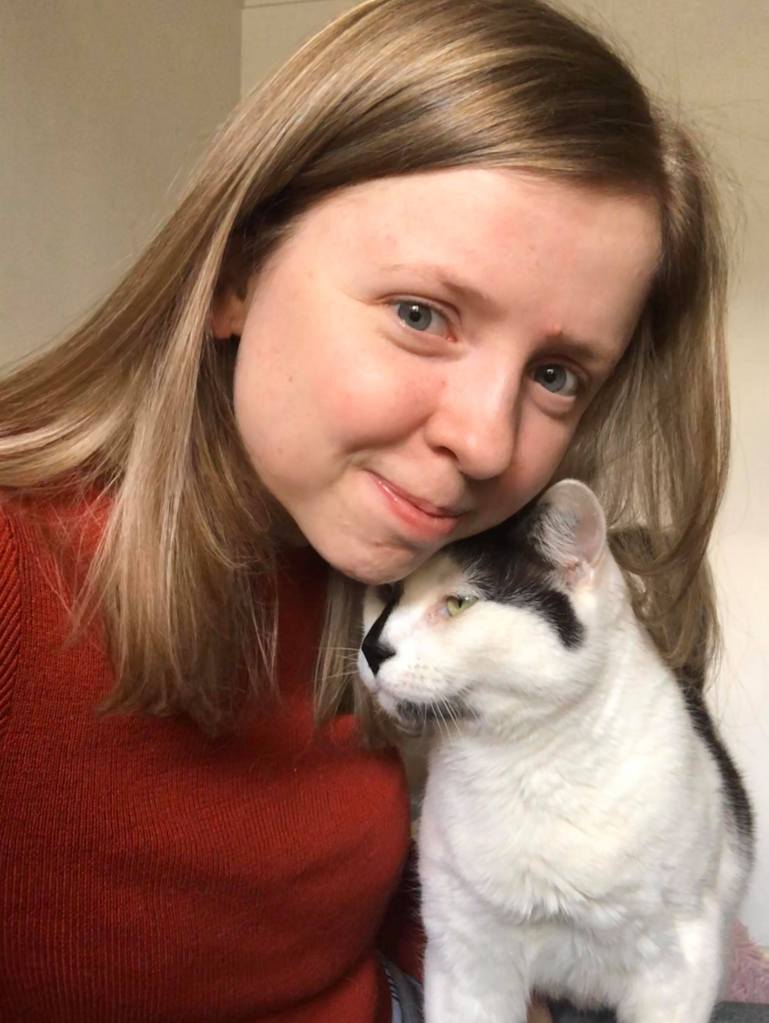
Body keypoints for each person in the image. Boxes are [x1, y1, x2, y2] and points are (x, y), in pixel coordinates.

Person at [0, 0, 742, 1020]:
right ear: (236, 272)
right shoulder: (21, 573)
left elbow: (358, 886)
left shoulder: (375, 562)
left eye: (556, 375)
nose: (486, 443)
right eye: (421, 314)